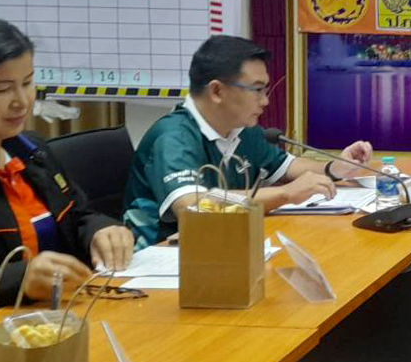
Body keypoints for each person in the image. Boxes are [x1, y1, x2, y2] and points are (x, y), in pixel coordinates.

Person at [0, 17, 134, 334]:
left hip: (57, 325)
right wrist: (18, 280)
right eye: (2, 89)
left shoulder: (31, 151)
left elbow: (78, 215)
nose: (22, 101)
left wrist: (100, 230)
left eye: (27, 83)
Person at [123, 35, 375, 248]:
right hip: (164, 262)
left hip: (223, 248)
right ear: (217, 91)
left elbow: (286, 166)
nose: (265, 101)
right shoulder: (173, 137)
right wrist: (285, 194)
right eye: (257, 90)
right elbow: (194, 207)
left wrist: (334, 167)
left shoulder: (241, 129)